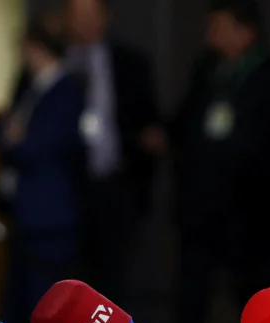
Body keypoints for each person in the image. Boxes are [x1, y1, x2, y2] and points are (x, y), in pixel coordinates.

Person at [169, 0, 270, 323]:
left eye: (219, 27)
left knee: (255, 305)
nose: (210, 36)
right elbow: (185, 126)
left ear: (246, 32)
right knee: (191, 302)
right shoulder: (206, 70)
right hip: (202, 211)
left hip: (255, 218)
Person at [63, 0, 162, 307]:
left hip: (116, 181)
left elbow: (149, 122)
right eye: (78, 15)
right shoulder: (56, 61)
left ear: (105, 18)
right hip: (67, 187)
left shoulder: (130, 62)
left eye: (91, 15)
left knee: (114, 278)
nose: (84, 22)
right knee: (70, 281)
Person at [0, 17, 87, 323]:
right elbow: (1, 131)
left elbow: (35, 147)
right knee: (20, 308)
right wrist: (11, 137)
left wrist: (15, 138)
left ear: (36, 48)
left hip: (49, 219)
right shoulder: (29, 88)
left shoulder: (65, 92)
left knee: (44, 309)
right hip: (25, 216)